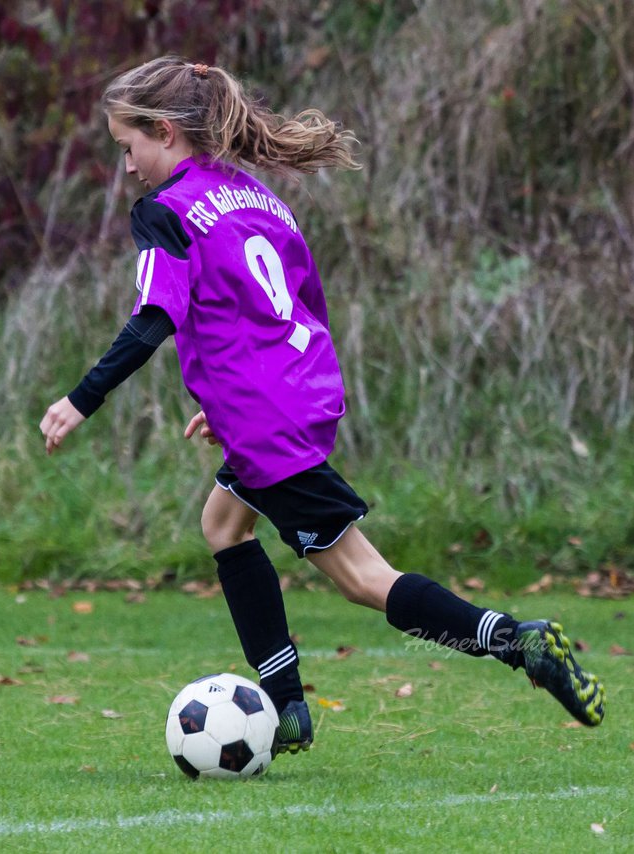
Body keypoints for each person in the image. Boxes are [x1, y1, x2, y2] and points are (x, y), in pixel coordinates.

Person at [39, 55, 605, 753]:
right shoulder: (254, 197)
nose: (127, 166)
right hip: (300, 393)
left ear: (164, 131)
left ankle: (518, 643)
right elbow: (290, 306)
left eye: (128, 146)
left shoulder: (166, 211)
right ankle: (287, 710)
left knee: (366, 580)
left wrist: (80, 400)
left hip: (267, 416)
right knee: (224, 524)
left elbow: (153, 318)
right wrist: (236, 401)